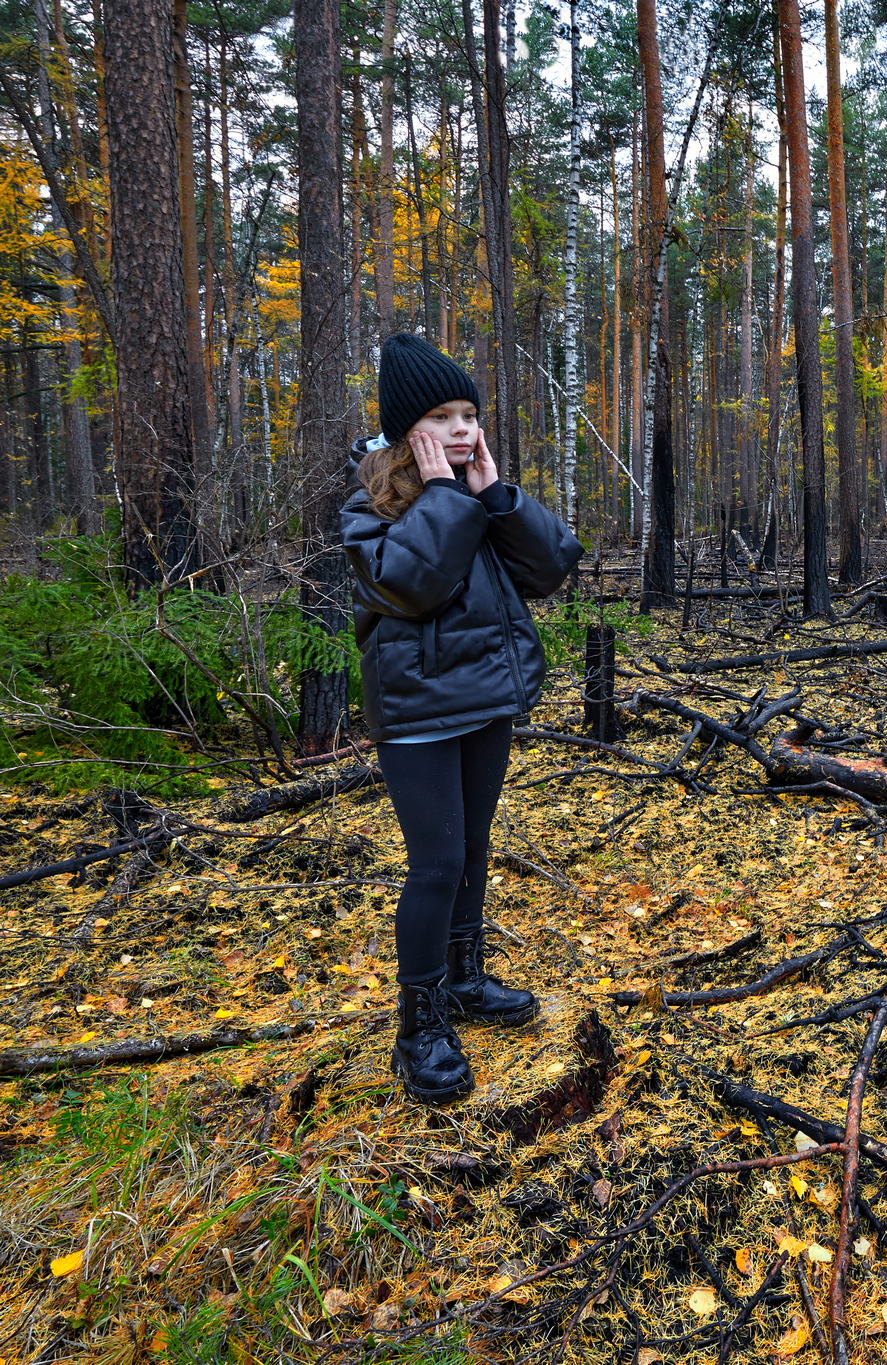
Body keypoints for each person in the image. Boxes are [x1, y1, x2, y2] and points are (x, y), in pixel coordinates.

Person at [343, 333, 584, 1104]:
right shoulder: (369, 504)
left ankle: (466, 978)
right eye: (443, 415)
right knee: (437, 863)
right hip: (417, 712)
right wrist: (450, 496)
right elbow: (410, 583)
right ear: (408, 428)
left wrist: (496, 494)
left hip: (485, 700)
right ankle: (419, 1025)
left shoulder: (475, 495)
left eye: (470, 414)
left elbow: (550, 567)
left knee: (474, 847)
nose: (461, 428)